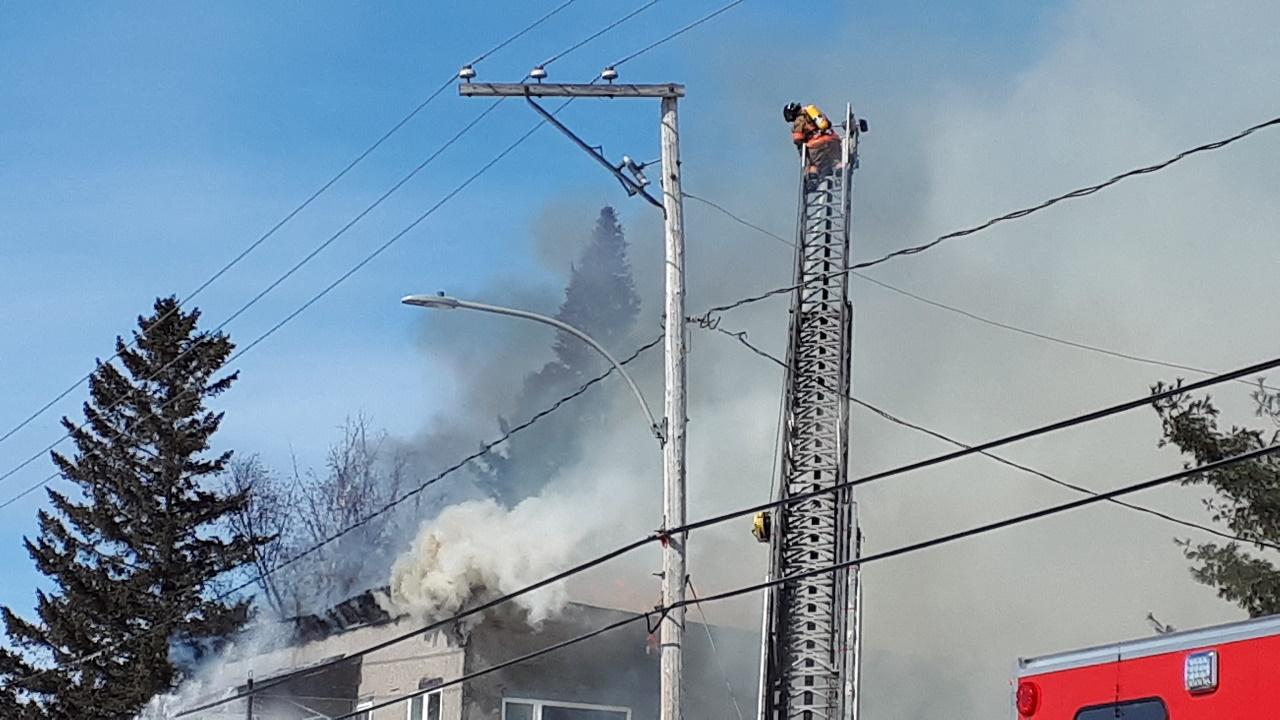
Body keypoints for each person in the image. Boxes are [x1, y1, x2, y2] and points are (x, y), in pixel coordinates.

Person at [783, 102, 841, 188]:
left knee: (813, 165)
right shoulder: (814, 113)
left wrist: (803, 154)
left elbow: (798, 139)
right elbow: (828, 124)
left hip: (816, 145)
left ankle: (813, 181)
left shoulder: (799, 120)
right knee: (836, 161)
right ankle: (840, 172)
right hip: (832, 141)